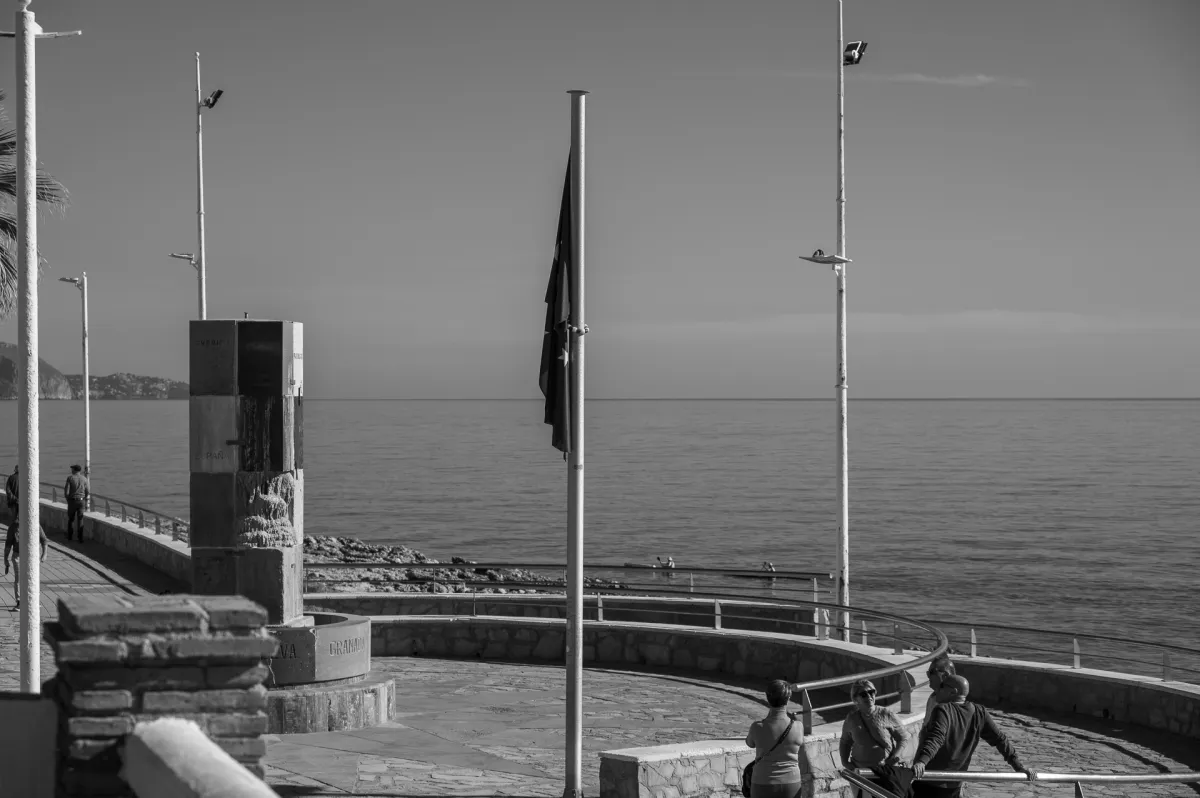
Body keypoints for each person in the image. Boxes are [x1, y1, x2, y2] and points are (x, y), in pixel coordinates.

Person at [911, 675, 1035, 798]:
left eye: (941, 686)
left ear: (953, 692)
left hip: (931, 782)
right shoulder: (979, 712)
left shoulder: (943, 710)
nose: (937, 689)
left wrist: (922, 761)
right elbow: (1000, 740)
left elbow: (936, 737)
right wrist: (1019, 766)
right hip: (955, 783)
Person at [745, 679, 804, 798]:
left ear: (768, 698)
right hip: (791, 782)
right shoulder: (798, 726)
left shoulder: (757, 727)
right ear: (788, 699)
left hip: (762, 781)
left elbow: (749, 743)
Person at [4, 514, 47, 610]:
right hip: (17, 555)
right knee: (19, 578)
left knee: (32, 577)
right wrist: (5, 559)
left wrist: (44, 554)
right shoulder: (13, 527)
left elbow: (44, 540)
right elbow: (8, 544)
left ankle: (33, 599)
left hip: (32, 556)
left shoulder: (36, 525)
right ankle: (19, 601)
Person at [923, 654, 956, 728]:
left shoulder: (953, 703)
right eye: (928, 673)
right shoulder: (932, 698)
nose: (928, 675)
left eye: (931, 672)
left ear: (945, 675)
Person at [64, 464, 90, 542]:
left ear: (75, 470)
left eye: (72, 469)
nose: (71, 471)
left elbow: (66, 491)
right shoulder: (85, 479)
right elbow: (88, 491)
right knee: (80, 519)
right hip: (81, 501)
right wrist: (84, 498)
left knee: (71, 519)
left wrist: (67, 499)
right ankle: (80, 538)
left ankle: (70, 536)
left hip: (72, 500)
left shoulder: (70, 478)